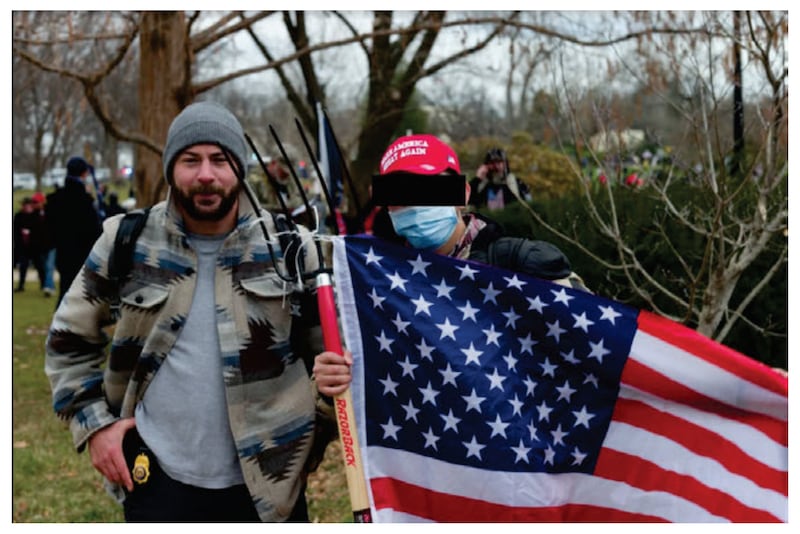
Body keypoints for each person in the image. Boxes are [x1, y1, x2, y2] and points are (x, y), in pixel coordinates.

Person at [44, 101, 338, 522]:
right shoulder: (126, 241)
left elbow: (333, 361)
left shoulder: (292, 248)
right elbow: (67, 342)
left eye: (220, 160)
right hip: (158, 483)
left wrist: (311, 436)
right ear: (170, 168)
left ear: (240, 167)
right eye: (190, 160)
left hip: (271, 489)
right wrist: (95, 427)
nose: (205, 175)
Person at [315, 133, 587, 396]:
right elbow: (361, 389)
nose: (415, 203)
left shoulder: (522, 266)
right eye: (399, 194)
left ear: (463, 193)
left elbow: (591, 348)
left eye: (429, 188)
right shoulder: (377, 284)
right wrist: (332, 385)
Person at [45, 156, 102, 304]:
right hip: (82, 253)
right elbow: (93, 230)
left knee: (66, 289)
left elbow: (49, 225)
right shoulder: (84, 200)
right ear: (84, 174)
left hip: (62, 251)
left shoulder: (55, 199)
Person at [30, 191, 56, 296]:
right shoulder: (33, 216)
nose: (34, 204)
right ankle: (50, 286)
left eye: (36, 202)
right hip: (40, 246)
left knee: (49, 266)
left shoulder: (50, 212)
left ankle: (48, 287)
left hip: (51, 245)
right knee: (44, 267)